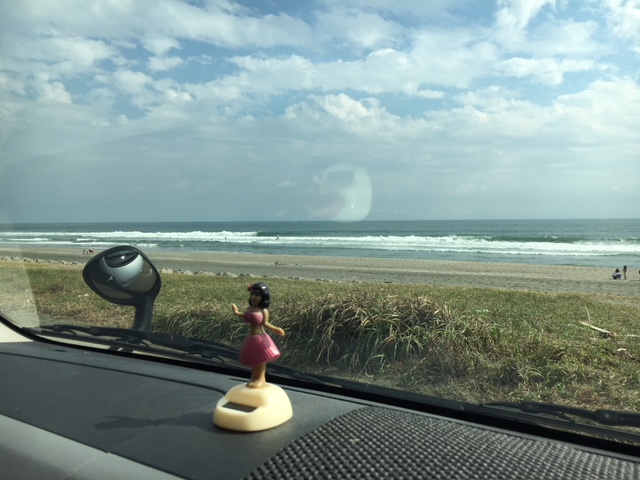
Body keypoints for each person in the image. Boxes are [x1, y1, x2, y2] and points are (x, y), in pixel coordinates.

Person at [231, 282, 285, 388]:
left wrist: (276, 329)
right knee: (254, 359)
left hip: (260, 338)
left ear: (263, 297)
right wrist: (236, 312)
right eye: (252, 294)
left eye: (257, 295)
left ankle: (260, 379)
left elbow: (266, 323)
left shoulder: (263, 311)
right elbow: (245, 315)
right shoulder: (249, 309)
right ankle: (254, 377)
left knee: (261, 360)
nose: (253, 297)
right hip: (251, 338)